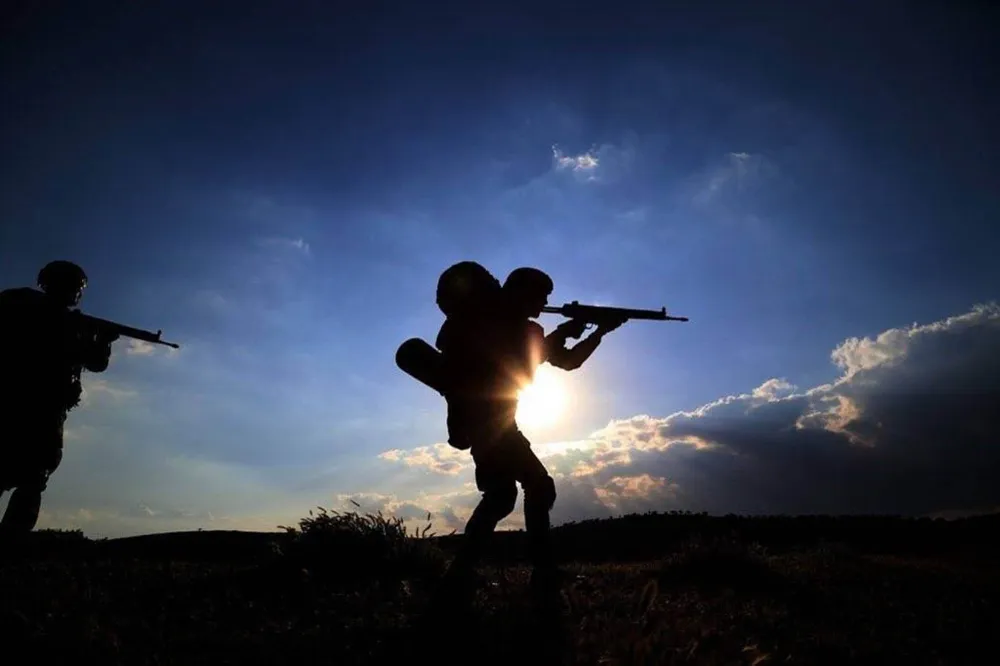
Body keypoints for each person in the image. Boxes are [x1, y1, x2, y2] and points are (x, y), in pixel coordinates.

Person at [436, 266, 626, 607]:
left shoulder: (519, 328)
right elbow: (524, 363)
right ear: (522, 293)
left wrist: (595, 332)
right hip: (489, 424)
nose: (543, 305)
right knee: (538, 485)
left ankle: (460, 573)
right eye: (540, 297)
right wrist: (570, 332)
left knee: (501, 497)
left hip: (493, 425)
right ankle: (542, 572)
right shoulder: (496, 325)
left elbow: (567, 361)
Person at [0, 260, 119, 536]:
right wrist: (103, 341)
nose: (79, 294)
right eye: (77, 288)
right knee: (34, 472)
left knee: (20, 470)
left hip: (19, 402)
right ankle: (12, 539)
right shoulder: (62, 322)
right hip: (40, 407)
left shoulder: (19, 304)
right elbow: (95, 362)